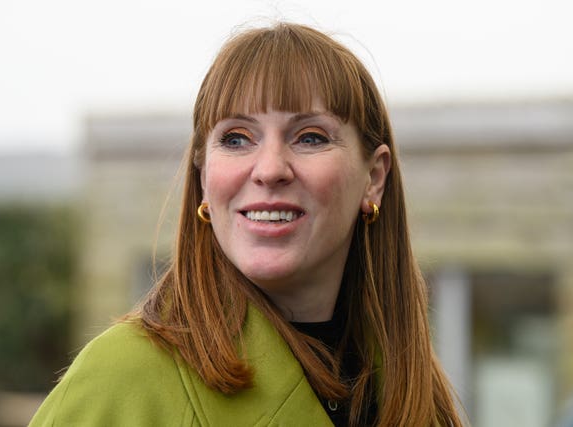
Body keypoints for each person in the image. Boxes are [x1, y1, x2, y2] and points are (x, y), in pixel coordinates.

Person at [30, 22, 464, 426]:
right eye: (236, 138)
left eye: (310, 137)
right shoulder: (119, 381)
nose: (270, 169)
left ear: (374, 178)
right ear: (202, 177)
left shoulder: (417, 395)